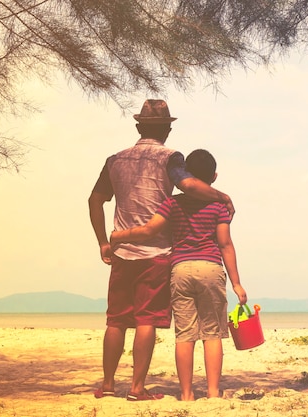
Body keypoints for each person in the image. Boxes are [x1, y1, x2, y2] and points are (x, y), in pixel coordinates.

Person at [88, 99, 234, 401]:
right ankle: (137, 388)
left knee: (115, 320)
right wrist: (222, 196)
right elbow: (190, 187)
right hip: (156, 253)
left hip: (122, 250)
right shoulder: (170, 158)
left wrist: (104, 241)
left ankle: (108, 384)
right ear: (167, 129)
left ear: (139, 126)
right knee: (146, 320)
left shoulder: (114, 160)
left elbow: (94, 200)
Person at [110, 149, 247, 401]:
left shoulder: (172, 203)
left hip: (180, 269)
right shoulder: (218, 206)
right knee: (212, 334)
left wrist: (119, 236)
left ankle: (186, 394)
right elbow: (225, 244)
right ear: (214, 177)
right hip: (210, 268)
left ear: (186, 176)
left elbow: (150, 230)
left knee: (185, 335)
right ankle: (214, 392)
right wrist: (236, 283)